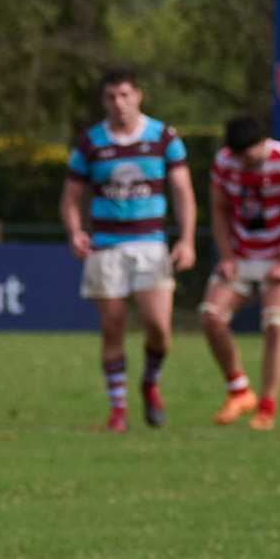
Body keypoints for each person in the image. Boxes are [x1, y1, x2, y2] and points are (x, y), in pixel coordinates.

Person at [60, 68, 196, 433]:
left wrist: (186, 239)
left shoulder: (163, 137)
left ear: (138, 94)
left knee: (158, 328)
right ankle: (118, 410)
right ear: (103, 100)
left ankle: (150, 381)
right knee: (113, 328)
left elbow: (183, 191)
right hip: (105, 248)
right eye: (110, 97)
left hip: (150, 244)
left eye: (124, 95)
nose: (118, 103)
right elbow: (71, 197)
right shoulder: (90, 143)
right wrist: (75, 232)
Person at [199, 114, 280, 431]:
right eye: (237, 156)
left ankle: (267, 407)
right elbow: (220, 210)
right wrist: (226, 256)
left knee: (276, 326)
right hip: (242, 253)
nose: (242, 163)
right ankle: (239, 391)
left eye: (248, 156)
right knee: (211, 317)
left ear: (263, 144)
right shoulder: (225, 162)